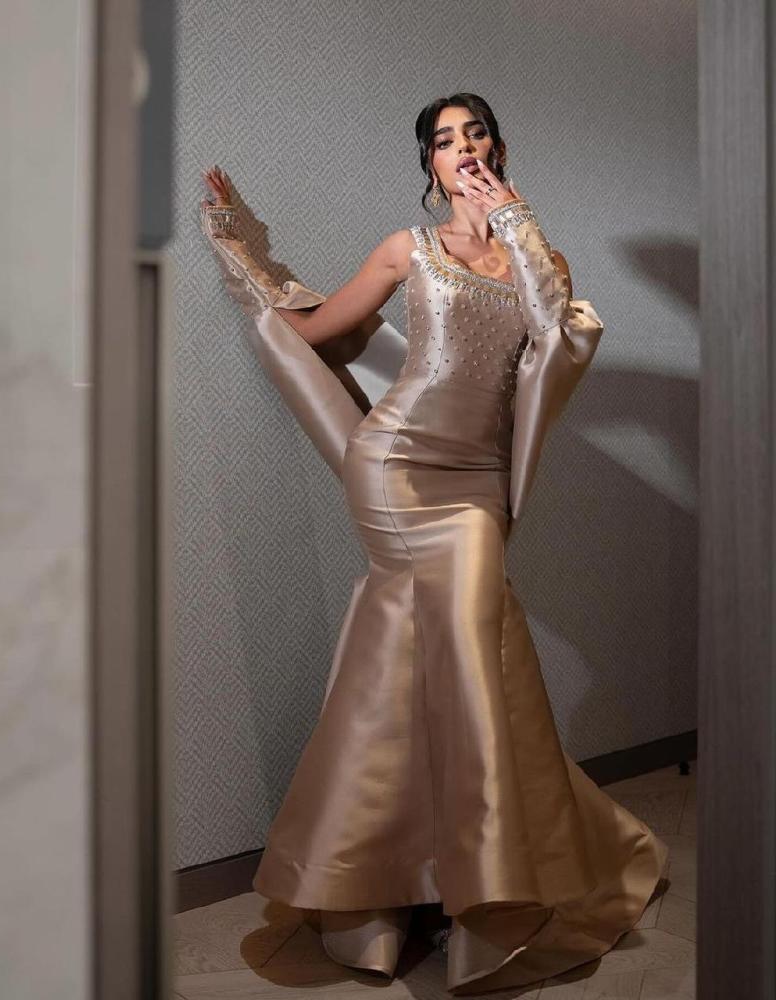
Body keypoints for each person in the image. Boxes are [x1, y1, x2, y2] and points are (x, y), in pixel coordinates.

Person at [199, 92, 670, 995]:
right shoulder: (405, 249)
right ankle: (451, 889)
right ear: (429, 165)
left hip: (477, 482)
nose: (463, 150)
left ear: (498, 147)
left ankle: (434, 881)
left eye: (475, 134)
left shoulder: (539, 256)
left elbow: (555, 329)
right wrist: (240, 249)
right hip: (397, 469)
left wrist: (515, 218)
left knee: (446, 668)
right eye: (445, 142)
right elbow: (314, 331)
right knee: (457, 662)